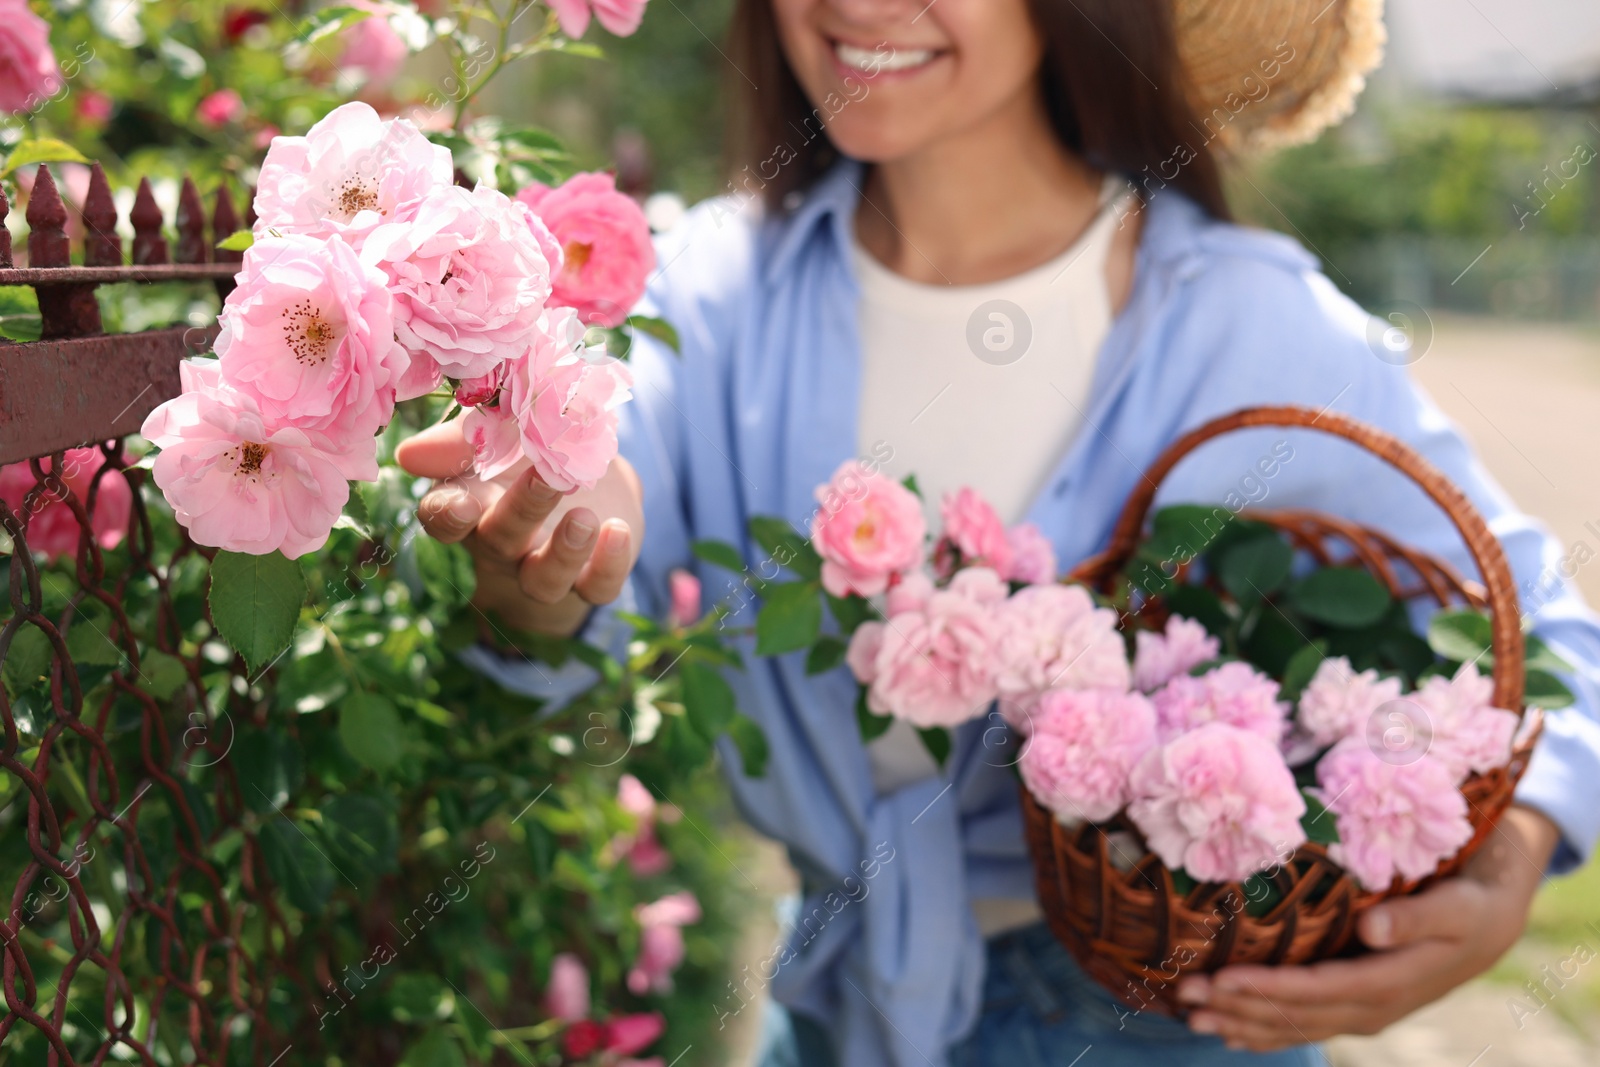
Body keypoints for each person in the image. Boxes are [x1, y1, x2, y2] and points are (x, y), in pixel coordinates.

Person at [395, 1, 1600, 1064]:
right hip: (836, 1005)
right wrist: (550, 558)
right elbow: (595, 493)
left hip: (1168, 1025)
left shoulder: (1243, 320)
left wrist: (1509, 861)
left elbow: (1535, 617)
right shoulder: (713, 293)